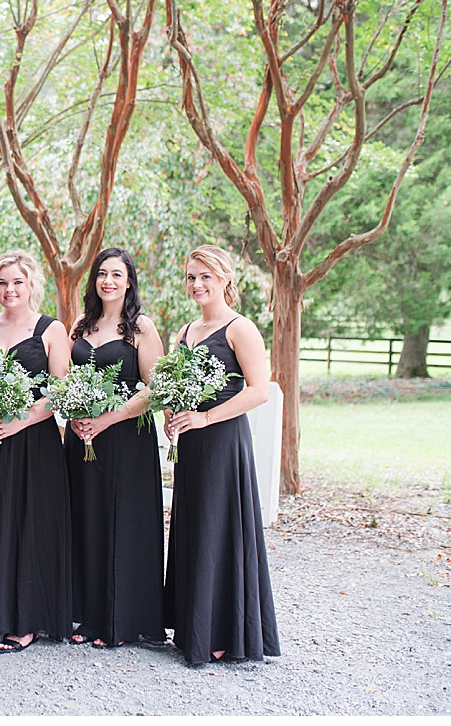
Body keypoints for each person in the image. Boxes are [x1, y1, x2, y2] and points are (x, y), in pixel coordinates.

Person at [163, 244, 280, 665]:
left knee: (218, 528)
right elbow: (174, 384)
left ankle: (222, 633)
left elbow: (259, 391)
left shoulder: (240, 328)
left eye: (205, 276)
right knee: (194, 527)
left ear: (225, 279)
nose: (197, 284)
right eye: (191, 277)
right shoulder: (185, 332)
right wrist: (172, 413)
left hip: (223, 441)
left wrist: (206, 417)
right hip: (192, 443)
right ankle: (194, 627)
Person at [0, 250, 72, 653]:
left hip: (34, 444)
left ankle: (25, 622)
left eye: (17, 282)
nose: (10, 289)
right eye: (3, 283)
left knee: (28, 526)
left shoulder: (51, 329)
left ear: (31, 285)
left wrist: (17, 422)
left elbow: (59, 391)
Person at [64, 247, 166, 649]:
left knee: (121, 523)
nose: (108, 281)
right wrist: (73, 415)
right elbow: (65, 379)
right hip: (80, 438)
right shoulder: (80, 324)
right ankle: (85, 614)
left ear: (128, 282)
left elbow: (156, 388)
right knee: (84, 519)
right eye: (102, 274)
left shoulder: (140, 328)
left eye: (116, 275)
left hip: (125, 439)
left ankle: (119, 621)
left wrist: (107, 418)